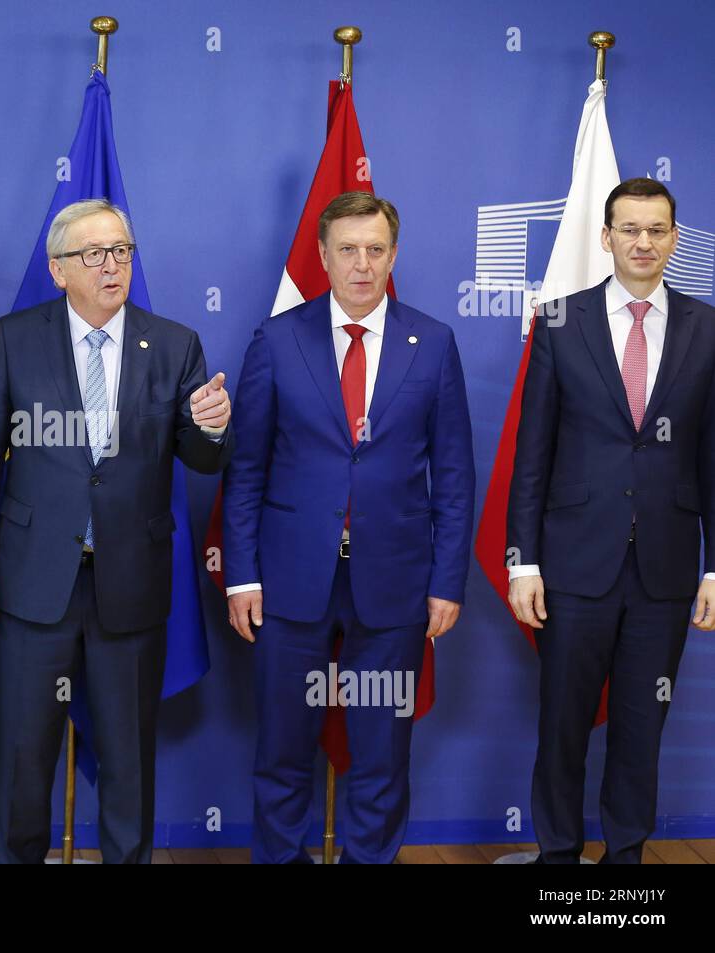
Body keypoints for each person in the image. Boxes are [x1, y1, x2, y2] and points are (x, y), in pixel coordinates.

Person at [0, 198, 234, 864]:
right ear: (58, 269)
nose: (112, 266)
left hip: (129, 584)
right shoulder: (15, 338)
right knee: (23, 758)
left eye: (122, 251)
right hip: (30, 582)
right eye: (94, 254)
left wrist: (213, 424)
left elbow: (201, 458)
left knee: (129, 760)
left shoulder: (174, 343)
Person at [222, 191, 475, 864]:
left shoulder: (434, 343)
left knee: (382, 753)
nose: (362, 264)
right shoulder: (277, 339)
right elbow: (245, 468)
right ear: (324, 256)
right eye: (348, 250)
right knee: (281, 748)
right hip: (288, 583)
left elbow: (453, 477)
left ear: (393, 254)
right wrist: (241, 574)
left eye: (376, 249)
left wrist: (447, 580)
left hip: (394, 587)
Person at [507, 178, 715, 864]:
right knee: (562, 724)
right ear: (607, 237)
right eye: (630, 229)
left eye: (657, 230)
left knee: (640, 725)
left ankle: (625, 861)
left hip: (664, 567)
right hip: (571, 563)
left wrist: (714, 564)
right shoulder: (560, 321)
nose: (643, 242)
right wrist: (524, 560)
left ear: (675, 239)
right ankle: (557, 858)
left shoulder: (706, 326)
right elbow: (531, 452)